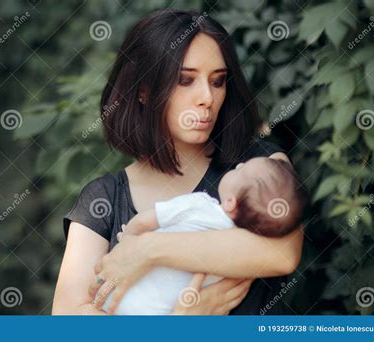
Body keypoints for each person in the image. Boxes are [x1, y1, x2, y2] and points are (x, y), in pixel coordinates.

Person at [52, 9, 304, 316]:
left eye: (218, 81)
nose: (207, 98)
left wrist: (148, 250)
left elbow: (282, 253)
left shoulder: (258, 166)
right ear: (143, 91)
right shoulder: (102, 200)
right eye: (186, 80)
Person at [101, 157, 307, 314]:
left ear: (230, 202)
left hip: (119, 302)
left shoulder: (199, 204)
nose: (237, 165)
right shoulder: (239, 252)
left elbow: (144, 221)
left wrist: (128, 240)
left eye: (240, 170)